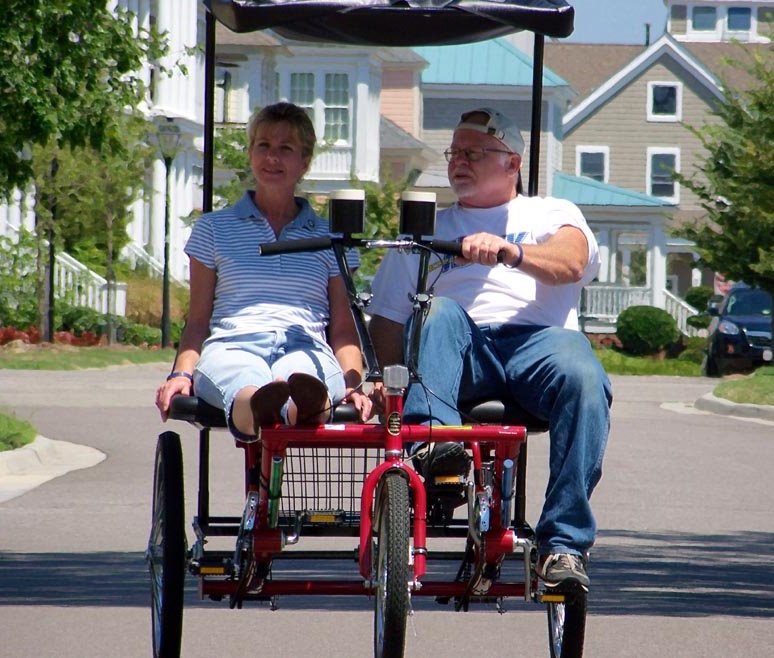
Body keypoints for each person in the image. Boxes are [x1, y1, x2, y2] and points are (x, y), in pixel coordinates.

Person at [368, 108, 611, 592]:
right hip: (457, 351)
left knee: (584, 376)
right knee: (436, 309)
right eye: (454, 152)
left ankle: (563, 543)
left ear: (512, 162)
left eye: (474, 152)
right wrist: (385, 377)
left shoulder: (550, 213)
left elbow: (572, 261)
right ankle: (438, 454)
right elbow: (388, 320)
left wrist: (510, 251)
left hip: (538, 342)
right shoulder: (426, 226)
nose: (459, 160)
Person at [156, 102, 371, 438]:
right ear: (251, 154)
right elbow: (197, 320)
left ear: (305, 162)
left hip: (305, 346)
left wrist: (355, 383)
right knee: (245, 383)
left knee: (303, 379)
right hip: (233, 343)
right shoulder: (214, 229)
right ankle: (259, 406)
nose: (272, 158)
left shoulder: (331, 237)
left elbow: (343, 329)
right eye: (264, 146)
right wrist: (180, 374)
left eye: (286, 149)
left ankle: (305, 404)